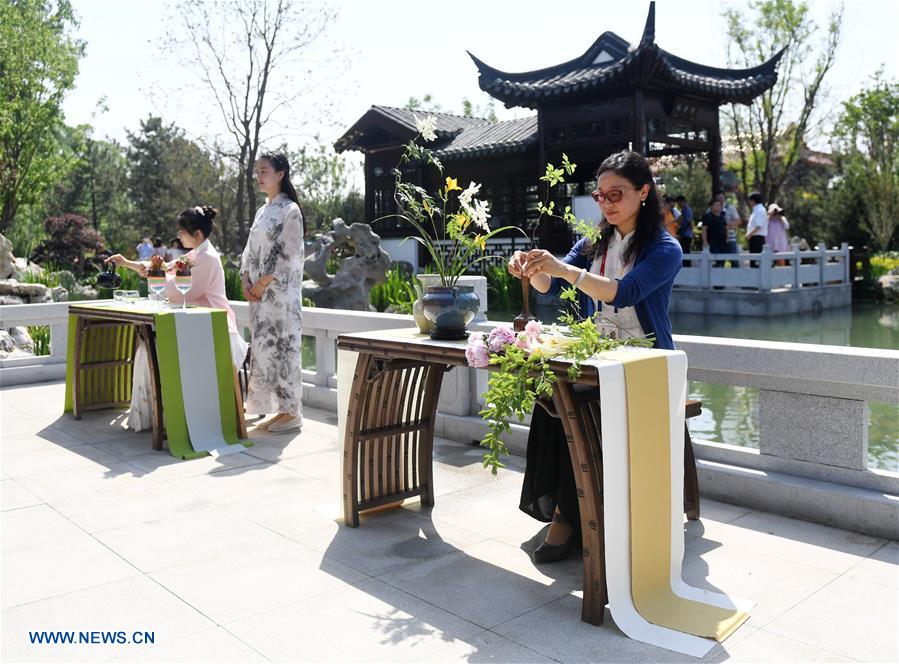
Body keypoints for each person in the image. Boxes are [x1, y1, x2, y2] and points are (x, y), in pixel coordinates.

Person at [507, 150, 682, 563]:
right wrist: (530, 268)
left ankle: (569, 520)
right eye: (600, 195)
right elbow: (551, 283)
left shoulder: (664, 248)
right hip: (598, 356)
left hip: (646, 362)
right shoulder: (595, 240)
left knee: (573, 407)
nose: (606, 203)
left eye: (616, 194)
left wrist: (565, 271)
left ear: (643, 191)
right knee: (552, 397)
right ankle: (569, 513)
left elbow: (623, 293)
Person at [107, 206, 249, 430]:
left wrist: (157, 275)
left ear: (197, 235)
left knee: (150, 348)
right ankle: (158, 413)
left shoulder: (208, 259)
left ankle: (171, 415)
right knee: (147, 347)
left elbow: (178, 289)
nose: (179, 236)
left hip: (212, 329)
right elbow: (162, 268)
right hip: (192, 325)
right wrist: (126, 263)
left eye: (182, 232)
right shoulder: (194, 255)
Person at [240, 152, 304, 434]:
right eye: (257, 171)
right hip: (260, 297)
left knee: (286, 350)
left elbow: (287, 255)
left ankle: (292, 413)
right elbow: (249, 250)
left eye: (264, 170)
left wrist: (263, 282)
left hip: (282, 298)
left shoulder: (291, 211)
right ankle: (278, 409)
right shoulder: (262, 211)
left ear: (281, 174)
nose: (259, 176)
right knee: (265, 353)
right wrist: (245, 278)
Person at [711, 190, 742, 264]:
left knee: (734, 259)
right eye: (718, 198)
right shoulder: (711, 209)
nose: (720, 200)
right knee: (719, 260)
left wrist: (727, 225)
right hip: (717, 238)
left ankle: (736, 274)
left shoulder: (730, 207)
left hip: (730, 237)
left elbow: (738, 220)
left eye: (722, 198)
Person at [702, 198, 729, 270]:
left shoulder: (722, 217)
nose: (718, 207)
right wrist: (705, 241)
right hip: (713, 243)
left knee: (723, 261)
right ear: (711, 206)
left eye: (719, 205)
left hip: (723, 243)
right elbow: (704, 229)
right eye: (716, 205)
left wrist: (727, 238)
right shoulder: (707, 216)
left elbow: (726, 228)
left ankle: (721, 278)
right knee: (715, 260)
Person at [745, 192, 768, 264]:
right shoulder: (756, 210)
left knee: (756, 261)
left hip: (757, 238)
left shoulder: (760, 210)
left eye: (750, 200)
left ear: (753, 200)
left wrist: (749, 234)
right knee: (753, 260)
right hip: (754, 238)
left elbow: (759, 225)